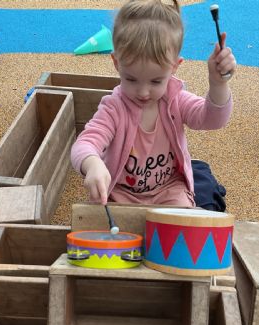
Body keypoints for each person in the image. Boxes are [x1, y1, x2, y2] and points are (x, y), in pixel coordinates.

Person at [71, 0, 236, 206]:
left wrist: (218, 84)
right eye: (131, 79)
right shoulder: (114, 108)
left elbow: (212, 120)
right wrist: (92, 163)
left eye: (156, 81)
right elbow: (84, 143)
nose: (143, 92)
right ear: (116, 63)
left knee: (182, 219)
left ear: (174, 67)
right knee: (105, 222)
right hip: (122, 193)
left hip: (169, 189)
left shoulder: (176, 99)